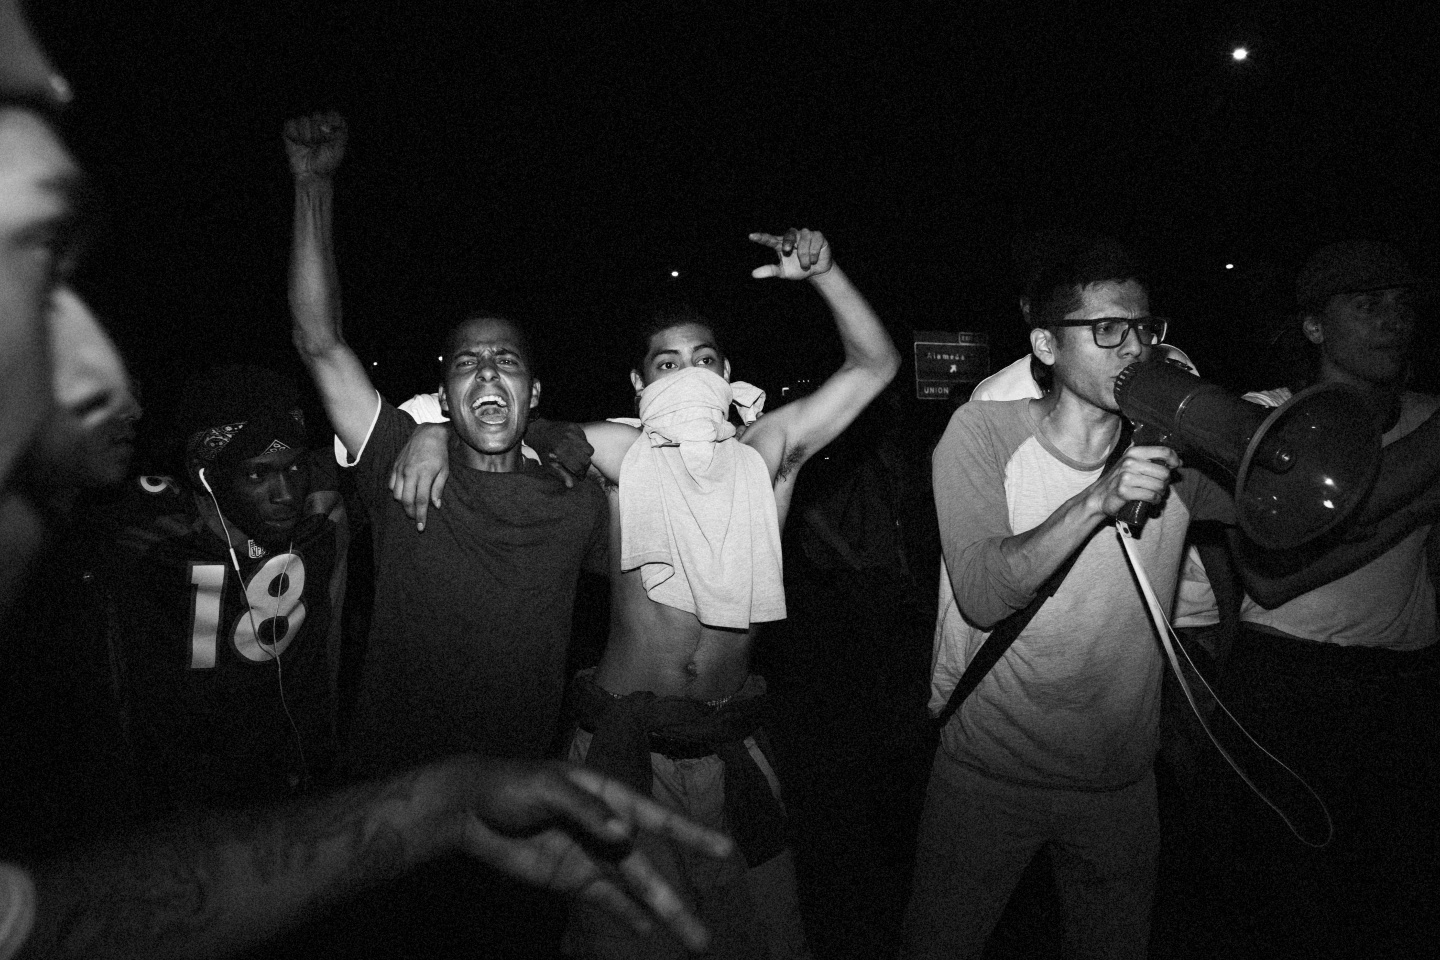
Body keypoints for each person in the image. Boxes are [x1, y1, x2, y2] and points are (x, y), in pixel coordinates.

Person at [0, 8, 731, 956]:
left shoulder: (579, 492)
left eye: (507, 364)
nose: (488, 378)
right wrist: (312, 187)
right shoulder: (398, 465)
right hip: (380, 807)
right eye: (466, 365)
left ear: (536, 386)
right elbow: (319, 342)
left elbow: (663, 549)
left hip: (521, 802)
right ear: (442, 388)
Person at [393, 228, 900, 958]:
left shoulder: (769, 453)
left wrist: (826, 275)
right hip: (622, 745)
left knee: (762, 937)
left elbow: (875, 364)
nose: (688, 375)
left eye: (703, 361)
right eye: (668, 365)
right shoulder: (620, 452)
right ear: (640, 386)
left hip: (729, 738)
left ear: (726, 373)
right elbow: (502, 422)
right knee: (620, 936)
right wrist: (433, 428)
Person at [904, 239, 1235, 959]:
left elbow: (1290, 513)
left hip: (1120, 785)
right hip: (987, 775)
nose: (1134, 348)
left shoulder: (1174, 451)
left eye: (1145, 328)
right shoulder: (982, 433)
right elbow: (986, 594)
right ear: (1046, 345)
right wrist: (1096, 501)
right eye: (1108, 329)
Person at [1205, 241, 1440, 959]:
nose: (1392, 321)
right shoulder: (1265, 420)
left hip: (1405, 681)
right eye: (1366, 306)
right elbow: (1270, 578)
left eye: (1402, 304)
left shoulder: (1427, 416)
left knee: (1398, 898)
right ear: (1314, 328)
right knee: (1293, 901)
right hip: (1292, 683)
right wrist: (1409, 503)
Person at [97, 365, 349, 809]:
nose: (284, 493)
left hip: (299, 778)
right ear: (205, 478)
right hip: (183, 797)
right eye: (258, 475)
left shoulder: (321, 521)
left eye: (294, 469)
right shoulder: (149, 528)